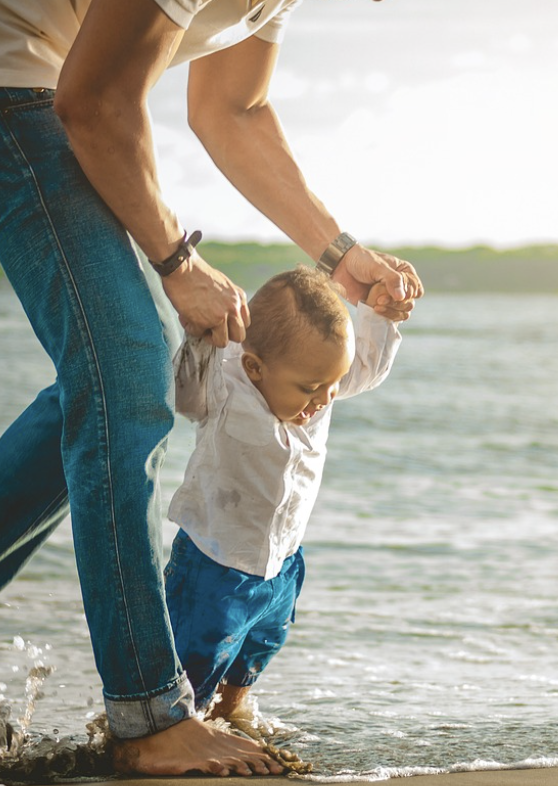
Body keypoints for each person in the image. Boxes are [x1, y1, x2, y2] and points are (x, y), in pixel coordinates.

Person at [0, 0, 423, 777]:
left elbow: (235, 107)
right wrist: (178, 263)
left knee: (123, 376)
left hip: (39, 81)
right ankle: (148, 714)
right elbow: (94, 102)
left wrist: (338, 251)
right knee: (127, 371)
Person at [164, 265, 412, 740]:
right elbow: (184, 393)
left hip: (283, 561)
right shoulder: (225, 386)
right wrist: (198, 335)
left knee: (260, 645)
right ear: (256, 367)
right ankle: (179, 731)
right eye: (309, 388)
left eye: (332, 385)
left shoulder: (318, 379)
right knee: (194, 658)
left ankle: (233, 716)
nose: (323, 399)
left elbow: (365, 367)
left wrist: (381, 316)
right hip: (215, 563)